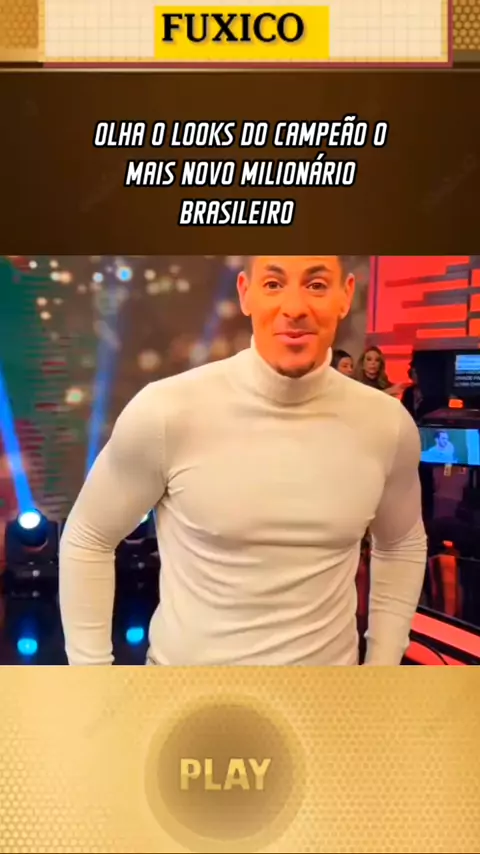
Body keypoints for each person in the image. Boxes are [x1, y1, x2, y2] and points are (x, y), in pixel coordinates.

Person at [59, 255, 427, 667]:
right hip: (186, 693)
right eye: (273, 284)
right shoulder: (167, 410)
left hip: (328, 696)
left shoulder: (386, 424)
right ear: (245, 293)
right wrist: (91, 680)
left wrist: (382, 669)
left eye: (316, 285)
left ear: (345, 296)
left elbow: (402, 544)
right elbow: (88, 537)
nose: (294, 307)